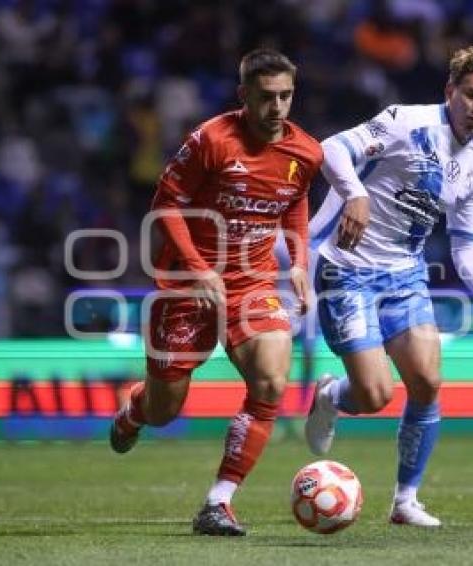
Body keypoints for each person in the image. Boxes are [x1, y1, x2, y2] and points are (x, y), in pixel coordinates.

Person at [110, 48, 323, 537]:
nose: (277, 107)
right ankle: (134, 411)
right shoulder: (210, 139)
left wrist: (298, 265)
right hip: (186, 285)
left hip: (252, 282)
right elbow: (165, 206)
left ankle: (218, 502)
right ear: (243, 94)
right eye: (266, 97)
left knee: (271, 380)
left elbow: (293, 205)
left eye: (286, 96)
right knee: (165, 410)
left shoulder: (306, 152)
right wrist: (199, 267)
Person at [305, 46, 473, 527]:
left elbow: (465, 246)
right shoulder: (405, 121)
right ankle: (330, 397)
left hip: (405, 274)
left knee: (427, 381)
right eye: (471, 95)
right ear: (451, 91)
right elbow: (332, 148)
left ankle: (405, 501)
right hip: (347, 268)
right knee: (376, 396)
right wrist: (355, 194)